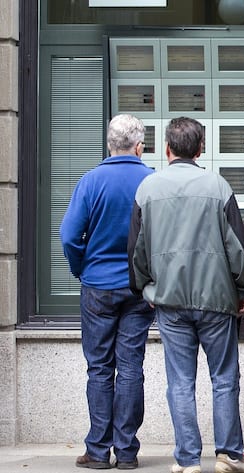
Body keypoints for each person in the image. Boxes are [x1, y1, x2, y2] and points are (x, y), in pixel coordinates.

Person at [128, 117, 244, 473]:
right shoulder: (218, 187)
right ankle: (229, 455)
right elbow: (238, 249)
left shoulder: (147, 189)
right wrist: (243, 290)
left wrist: (145, 287)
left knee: (180, 383)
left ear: (167, 149)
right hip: (216, 299)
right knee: (224, 379)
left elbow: (137, 249)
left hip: (169, 300)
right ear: (201, 149)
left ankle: (188, 460)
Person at [60, 114, 155, 470]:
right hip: (137, 287)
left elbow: (69, 236)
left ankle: (98, 451)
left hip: (97, 285)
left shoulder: (90, 181)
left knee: (99, 368)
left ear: (109, 144)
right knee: (131, 367)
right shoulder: (151, 181)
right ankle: (127, 452)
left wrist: (81, 268)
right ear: (139, 147)